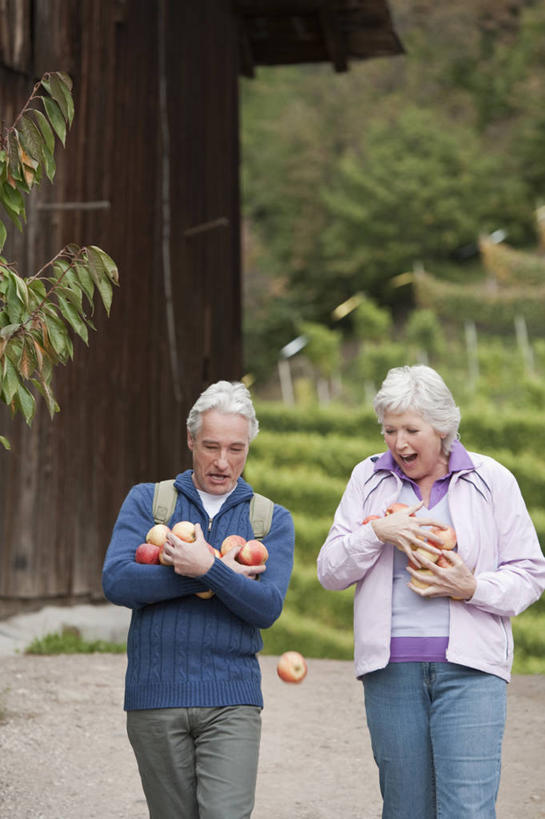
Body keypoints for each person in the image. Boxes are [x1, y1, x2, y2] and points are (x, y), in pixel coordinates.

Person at [317, 365, 545, 819]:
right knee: (405, 810)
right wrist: (377, 532)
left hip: (472, 672)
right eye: (389, 430)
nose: (399, 443)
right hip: (390, 672)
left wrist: (472, 587)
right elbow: (330, 572)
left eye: (411, 430)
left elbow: (530, 574)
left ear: (442, 429)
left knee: (469, 811)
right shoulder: (368, 480)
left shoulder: (491, 479)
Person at [102, 380, 295, 819]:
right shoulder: (150, 503)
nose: (223, 462)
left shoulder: (268, 521)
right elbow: (117, 582)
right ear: (190, 440)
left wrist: (207, 569)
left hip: (232, 700)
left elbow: (266, 608)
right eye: (211, 446)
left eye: (236, 449)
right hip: (155, 697)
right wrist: (209, 573)